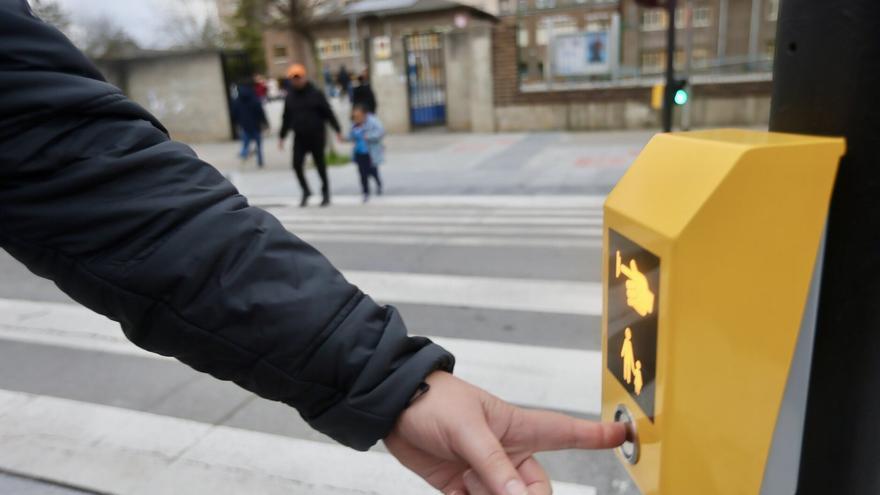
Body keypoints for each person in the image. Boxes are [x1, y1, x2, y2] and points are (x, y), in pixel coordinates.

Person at [1, 3, 626, 495]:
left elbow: (98, 179)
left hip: (297, 169)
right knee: (307, 173)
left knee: (319, 174)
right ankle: (317, 188)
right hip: (290, 148)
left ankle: (331, 190)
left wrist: (389, 379)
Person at [278, 63, 342, 207]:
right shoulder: (290, 97)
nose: (296, 80)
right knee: (296, 165)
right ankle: (306, 191)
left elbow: (328, 112)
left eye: (298, 77)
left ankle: (325, 192)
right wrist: (282, 137)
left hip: (316, 136)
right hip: (300, 137)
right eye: (293, 78)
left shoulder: (316, 93)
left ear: (304, 77)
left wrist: (337, 129)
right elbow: (286, 118)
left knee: (320, 165)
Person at [346, 104, 384, 202]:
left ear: (364, 114)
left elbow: (381, 132)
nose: (356, 119)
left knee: (372, 171)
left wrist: (369, 136)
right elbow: (350, 136)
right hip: (359, 153)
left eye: (358, 116)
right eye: (355, 117)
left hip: (370, 153)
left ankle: (378, 184)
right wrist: (344, 138)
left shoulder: (372, 121)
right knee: (362, 174)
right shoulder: (354, 125)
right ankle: (365, 192)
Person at [231, 82, 268, 168]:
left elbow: (234, 113)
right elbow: (260, 112)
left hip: (244, 126)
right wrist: (264, 122)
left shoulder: (237, 101)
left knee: (245, 144)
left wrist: (237, 122)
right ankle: (260, 161)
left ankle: (243, 157)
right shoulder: (254, 99)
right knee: (258, 145)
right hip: (256, 126)